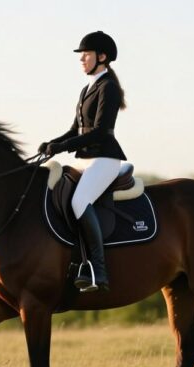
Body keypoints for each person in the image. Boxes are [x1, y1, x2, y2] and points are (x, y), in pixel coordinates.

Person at [39, 30, 128, 292]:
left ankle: (98, 270)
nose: (82, 60)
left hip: (105, 159)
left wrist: (64, 146)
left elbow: (100, 131)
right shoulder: (86, 89)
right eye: (81, 56)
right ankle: (75, 259)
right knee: (57, 194)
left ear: (102, 57)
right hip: (85, 159)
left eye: (86, 55)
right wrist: (52, 144)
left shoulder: (109, 87)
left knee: (79, 201)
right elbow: (75, 129)